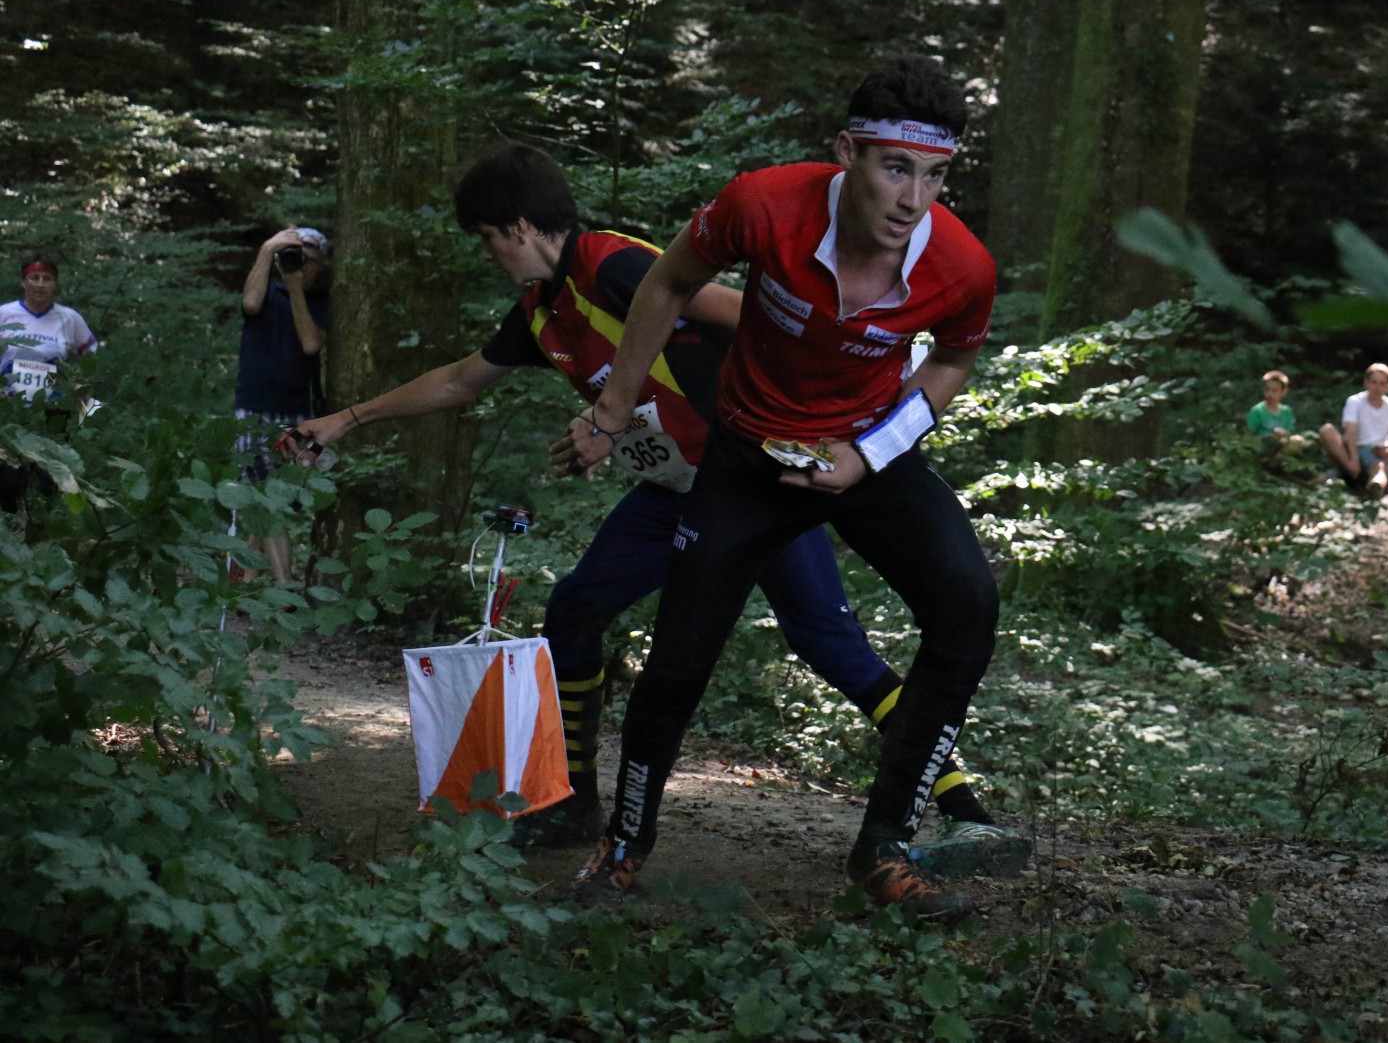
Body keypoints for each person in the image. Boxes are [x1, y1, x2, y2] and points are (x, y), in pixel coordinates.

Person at [286, 143, 1024, 877]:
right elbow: (460, 381)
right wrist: (346, 419)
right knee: (575, 610)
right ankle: (574, 804)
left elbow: (743, 310)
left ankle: (964, 811)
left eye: (487, 239)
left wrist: (824, 409)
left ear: (518, 228)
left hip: (755, 484)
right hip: (675, 493)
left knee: (831, 647)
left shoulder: (612, 266)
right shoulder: (542, 312)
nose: (488, 255)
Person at [563, 55, 1000, 922]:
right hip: (746, 459)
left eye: (935, 175)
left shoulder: (961, 264)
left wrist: (867, 455)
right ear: (848, 152)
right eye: (895, 167)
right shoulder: (763, 204)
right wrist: (613, 409)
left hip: (865, 453)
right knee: (681, 655)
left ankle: (884, 847)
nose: (913, 199)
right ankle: (623, 848)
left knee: (969, 603)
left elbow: (952, 359)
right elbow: (669, 280)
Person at [233, 225, 331, 584]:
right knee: (266, 498)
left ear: (320, 266)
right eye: (295, 257)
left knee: (269, 499)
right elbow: (249, 304)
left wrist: (296, 288)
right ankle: (283, 587)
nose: (301, 266)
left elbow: (311, 344)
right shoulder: (266, 292)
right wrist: (267, 249)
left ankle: (245, 586)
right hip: (254, 409)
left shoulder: (320, 302)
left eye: (309, 261)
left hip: (298, 414)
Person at [0, 254, 99, 511]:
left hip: (51, 408)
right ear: (23, 282)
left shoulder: (69, 318)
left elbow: (92, 353)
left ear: (54, 284)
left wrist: (80, 386)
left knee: (48, 478)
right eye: (34, 278)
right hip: (9, 407)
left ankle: (43, 524)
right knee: (8, 480)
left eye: (47, 279)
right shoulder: (5, 314)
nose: (40, 284)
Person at [1318, 362, 1388, 499]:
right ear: (1366, 383)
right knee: (1327, 430)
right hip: (1351, 450)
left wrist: (1386, 452)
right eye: (1374, 382)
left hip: (1375, 453)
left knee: (1379, 468)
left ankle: (1375, 487)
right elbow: (1350, 430)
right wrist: (1353, 459)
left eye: (1382, 383)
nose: (1377, 387)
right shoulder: (1355, 401)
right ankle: (1351, 473)